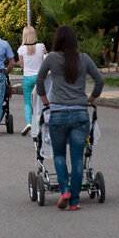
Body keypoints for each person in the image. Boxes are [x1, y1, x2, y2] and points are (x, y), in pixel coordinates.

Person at [36, 25, 104, 211]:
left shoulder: (51, 58)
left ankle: (64, 191)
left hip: (57, 114)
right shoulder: (84, 59)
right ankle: (74, 201)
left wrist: (45, 101)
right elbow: (99, 81)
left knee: (58, 154)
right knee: (76, 159)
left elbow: (39, 80)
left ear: (57, 40)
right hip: (80, 114)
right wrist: (90, 100)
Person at [17, 26, 47, 136]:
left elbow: (21, 64)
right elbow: (45, 59)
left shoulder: (21, 49)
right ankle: (41, 122)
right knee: (41, 100)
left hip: (27, 77)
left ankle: (29, 123)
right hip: (39, 78)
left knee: (27, 102)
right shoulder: (41, 46)